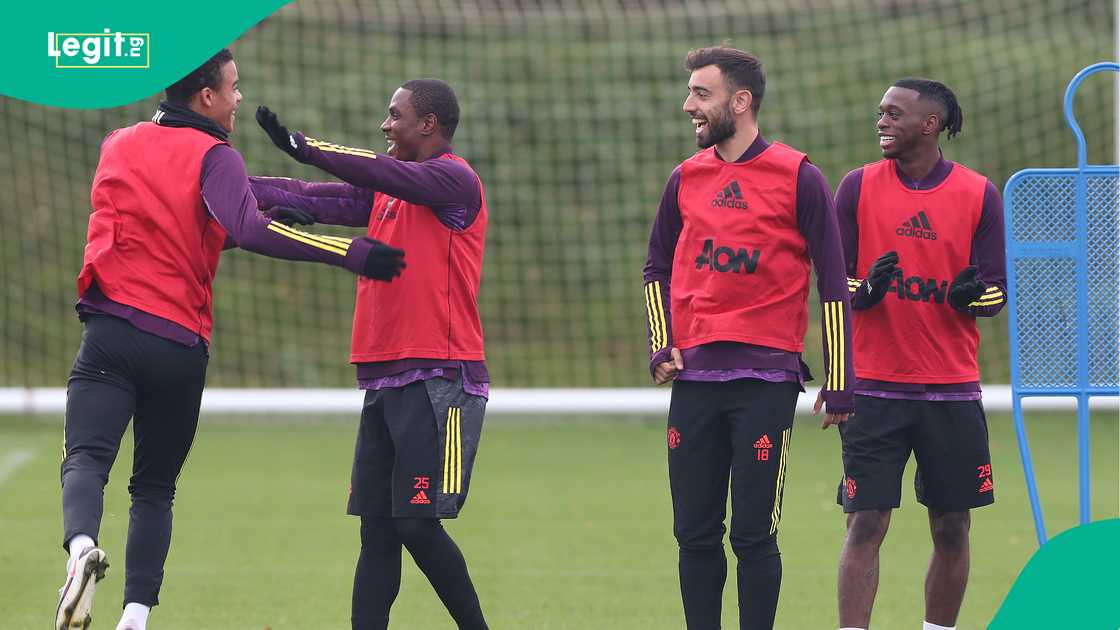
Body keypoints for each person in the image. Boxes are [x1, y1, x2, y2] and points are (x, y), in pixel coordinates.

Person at [55, 48, 405, 630]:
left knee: (86, 459)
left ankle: (80, 550)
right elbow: (243, 222)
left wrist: (302, 205)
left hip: (111, 334)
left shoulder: (117, 142)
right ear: (207, 96)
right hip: (178, 346)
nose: (239, 97)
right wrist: (349, 250)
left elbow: (176, 223)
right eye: (233, 87)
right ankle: (134, 619)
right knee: (154, 489)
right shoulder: (216, 156)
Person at [250, 78, 489, 630]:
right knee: (377, 529)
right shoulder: (391, 191)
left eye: (395, 115)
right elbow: (314, 197)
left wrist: (302, 145)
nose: (386, 125)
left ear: (428, 124)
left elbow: (377, 172)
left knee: (416, 526)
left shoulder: (453, 179)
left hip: (442, 379)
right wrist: (227, 181)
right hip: (384, 379)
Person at [642, 46, 854, 630]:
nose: (689, 105)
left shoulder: (799, 176)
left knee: (754, 534)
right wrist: (663, 344)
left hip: (766, 380)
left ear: (741, 101)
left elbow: (833, 284)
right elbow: (655, 266)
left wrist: (840, 379)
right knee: (694, 533)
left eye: (700, 94)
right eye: (690, 93)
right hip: (695, 382)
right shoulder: (685, 178)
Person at [833, 78, 1006, 630]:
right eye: (880, 111)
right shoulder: (856, 188)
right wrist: (864, 292)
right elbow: (836, 282)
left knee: (952, 526)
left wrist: (970, 297)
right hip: (875, 392)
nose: (881, 120)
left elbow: (999, 288)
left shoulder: (979, 193)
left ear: (930, 124)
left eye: (894, 113)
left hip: (950, 392)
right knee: (865, 523)